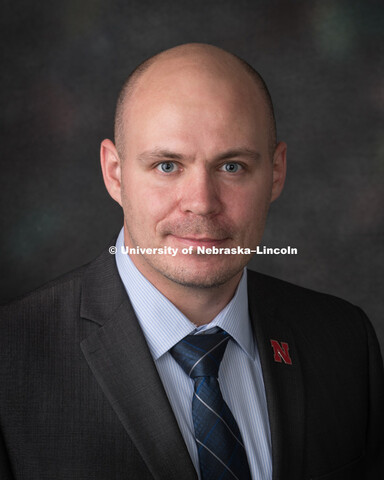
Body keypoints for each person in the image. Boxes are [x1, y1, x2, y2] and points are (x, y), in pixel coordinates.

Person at [0, 43, 383, 480]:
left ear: (276, 172)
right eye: (167, 166)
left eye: (232, 167)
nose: (201, 203)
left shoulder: (343, 341)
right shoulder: (11, 361)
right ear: (115, 172)